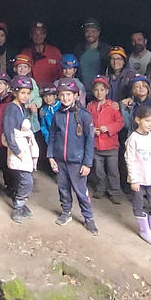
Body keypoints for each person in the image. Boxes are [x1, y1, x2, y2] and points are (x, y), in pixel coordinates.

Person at [47, 79, 98, 235]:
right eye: (62, 95)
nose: (65, 98)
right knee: (63, 188)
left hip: (77, 161)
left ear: (76, 95)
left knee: (81, 191)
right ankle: (66, 211)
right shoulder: (57, 115)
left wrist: (87, 163)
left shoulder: (84, 116)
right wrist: (50, 156)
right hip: (60, 159)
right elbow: (52, 136)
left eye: (68, 95)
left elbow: (90, 140)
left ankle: (88, 218)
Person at [125, 105, 151, 245]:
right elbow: (129, 160)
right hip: (138, 180)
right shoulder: (133, 139)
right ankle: (144, 230)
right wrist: (134, 180)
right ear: (138, 120)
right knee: (139, 204)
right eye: (147, 121)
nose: (150, 124)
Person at [3, 76, 39, 223]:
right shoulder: (11, 108)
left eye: (27, 93)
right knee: (27, 180)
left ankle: (21, 203)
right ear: (15, 92)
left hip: (23, 145)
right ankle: (18, 206)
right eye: (23, 93)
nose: (25, 96)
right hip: (17, 147)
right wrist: (16, 150)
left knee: (22, 178)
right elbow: (8, 130)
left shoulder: (21, 107)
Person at [86, 76, 125, 204]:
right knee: (98, 170)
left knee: (113, 170)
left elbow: (120, 123)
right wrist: (92, 130)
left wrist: (108, 128)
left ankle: (115, 191)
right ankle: (101, 188)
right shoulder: (91, 106)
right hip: (96, 145)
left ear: (107, 91)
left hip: (111, 145)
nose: (99, 93)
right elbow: (86, 121)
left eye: (102, 90)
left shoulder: (112, 106)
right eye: (96, 90)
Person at [19, 21, 62, 86]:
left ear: (45, 35)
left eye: (41, 33)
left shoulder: (54, 52)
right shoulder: (25, 53)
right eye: (35, 34)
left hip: (51, 92)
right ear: (31, 35)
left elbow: (61, 74)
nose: (38, 36)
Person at [77, 17, 110, 88]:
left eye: (93, 31)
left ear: (98, 32)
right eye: (87, 31)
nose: (90, 34)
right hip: (82, 90)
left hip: (100, 90)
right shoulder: (78, 50)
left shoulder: (106, 50)